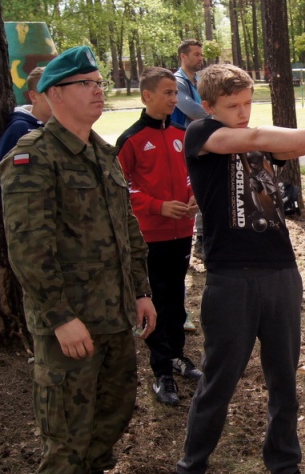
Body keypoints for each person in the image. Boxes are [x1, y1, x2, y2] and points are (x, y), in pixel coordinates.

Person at [174, 63, 305, 474]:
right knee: (219, 381)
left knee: (284, 380)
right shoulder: (202, 134)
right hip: (231, 279)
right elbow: (257, 137)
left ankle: (284, 471)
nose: (242, 114)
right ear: (207, 107)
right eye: (232, 106)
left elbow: (294, 144)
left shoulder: (259, 142)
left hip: (281, 273)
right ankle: (192, 468)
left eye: (247, 104)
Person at [0, 46, 156, 474]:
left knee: (111, 408)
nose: (98, 89)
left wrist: (140, 290)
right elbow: (28, 249)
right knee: (66, 423)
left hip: (113, 313)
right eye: (85, 82)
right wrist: (60, 318)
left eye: (98, 80)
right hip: (68, 321)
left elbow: (126, 230)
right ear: (54, 94)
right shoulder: (31, 157)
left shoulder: (100, 152)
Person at [115, 67, 203, 407]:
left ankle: (177, 356)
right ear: (146, 96)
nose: (174, 99)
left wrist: (193, 196)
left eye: (175, 93)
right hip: (149, 235)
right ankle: (160, 370)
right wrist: (156, 206)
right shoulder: (131, 139)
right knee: (156, 300)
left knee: (176, 298)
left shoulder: (182, 133)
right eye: (167, 93)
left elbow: (189, 176)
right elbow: (121, 188)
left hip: (181, 232)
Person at [0, 66, 52, 204]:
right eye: (49, 92)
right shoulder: (20, 129)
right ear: (34, 96)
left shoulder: (60, 127)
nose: (57, 98)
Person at [172, 39, 210, 261]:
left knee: (199, 190)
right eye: (195, 54)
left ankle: (201, 238)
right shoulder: (178, 82)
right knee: (190, 191)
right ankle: (195, 241)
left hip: (199, 144)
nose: (200, 58)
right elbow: (192, 110)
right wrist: (217, 115)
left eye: (200, 54)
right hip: (184, 145)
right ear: (183, 57)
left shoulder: (197, 80)